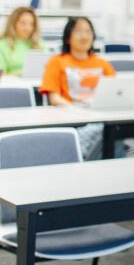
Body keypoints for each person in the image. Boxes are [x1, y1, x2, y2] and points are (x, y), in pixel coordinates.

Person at [39, 17, 116, 160]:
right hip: (72, 120)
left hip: (100, 117)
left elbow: (115, 94)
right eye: (78, 31)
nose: (84, 36)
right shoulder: (56, 62)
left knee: (114, 134)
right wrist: (79, 112)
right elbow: (54, 98)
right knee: (103, 134)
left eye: (88, 32)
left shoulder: (103, 64)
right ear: (68, 38)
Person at [0, 6, 46, 76]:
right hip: (11, 83)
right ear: (13, 23)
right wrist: (19, 75)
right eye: (23, 23)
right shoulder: (0, 46)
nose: (28, 28)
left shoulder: (39, 43)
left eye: (32, 24)